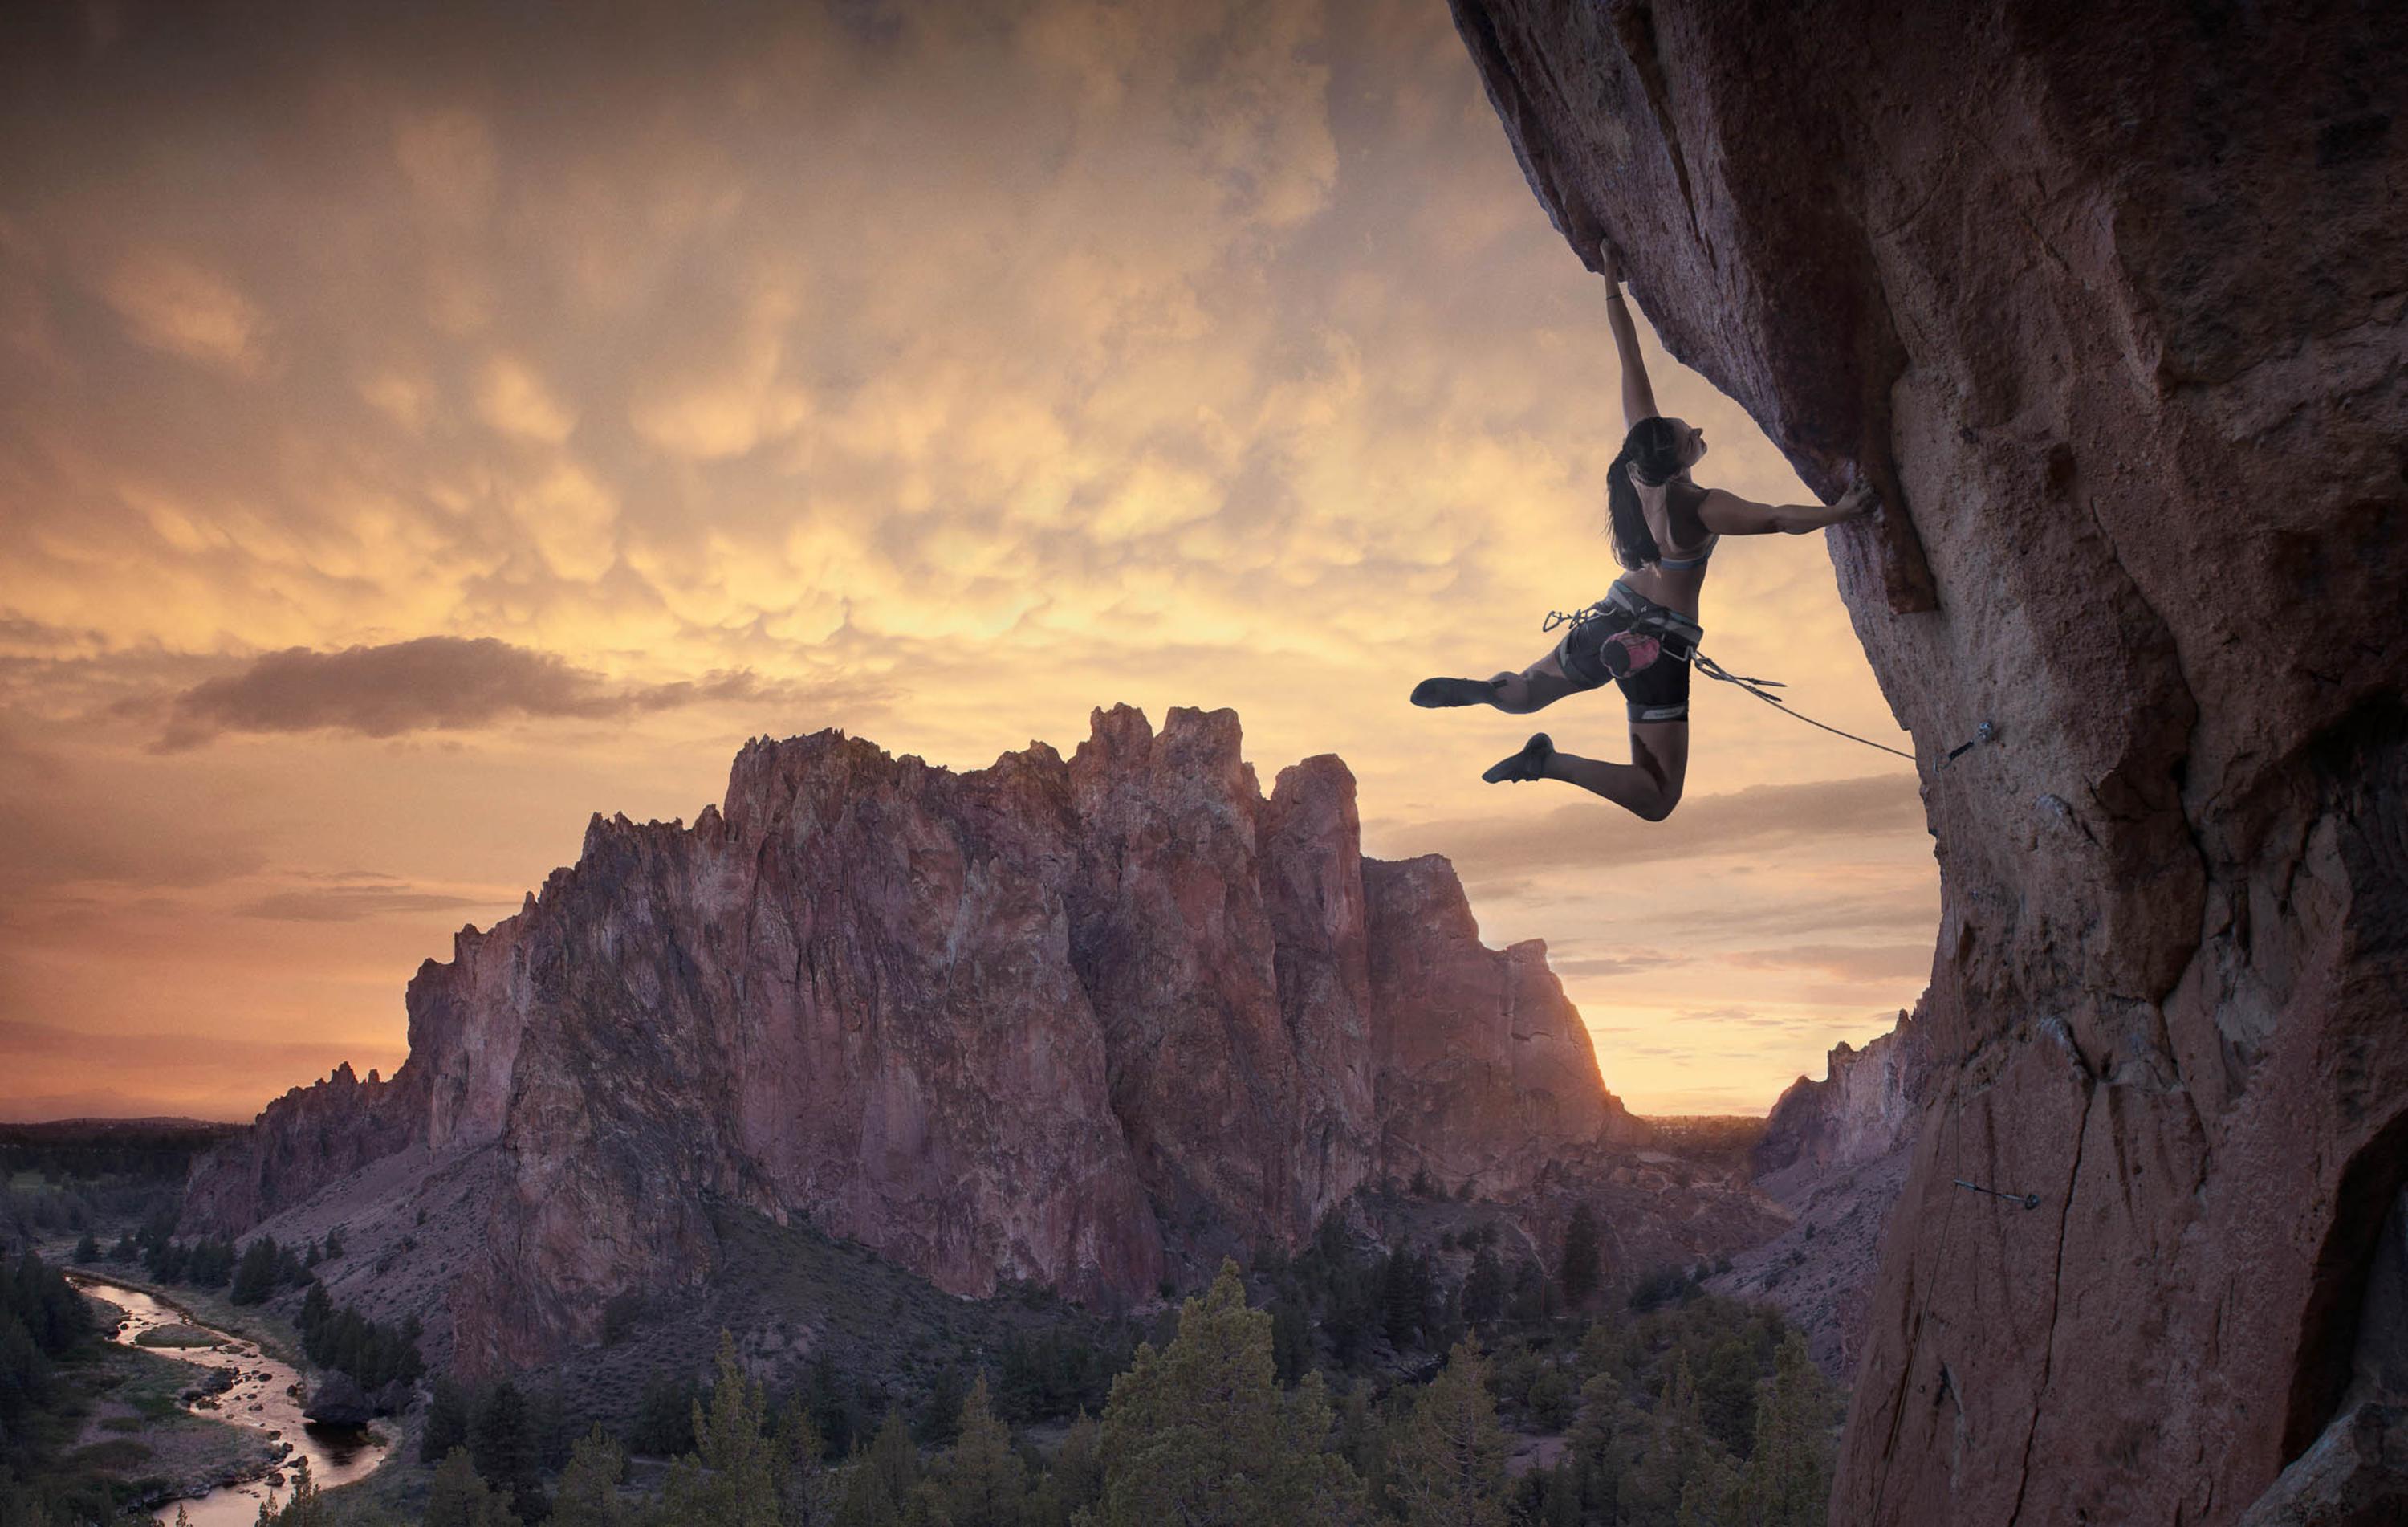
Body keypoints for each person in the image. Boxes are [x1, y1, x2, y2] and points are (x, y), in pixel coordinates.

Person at [1409, 238, 1876, 821]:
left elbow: (1628, 355)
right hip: (1655, 646)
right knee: (1657, 796)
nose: (1697, 431)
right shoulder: (1702, 506)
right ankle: (1547, 763)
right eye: (1691, 437)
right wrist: (1843, 510)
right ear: (1679, 460)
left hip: (1614, 612)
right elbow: (1780, 519)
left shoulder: (1633, 468)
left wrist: (1612, 277)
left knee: (1530, 694)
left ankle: (1490, 690)